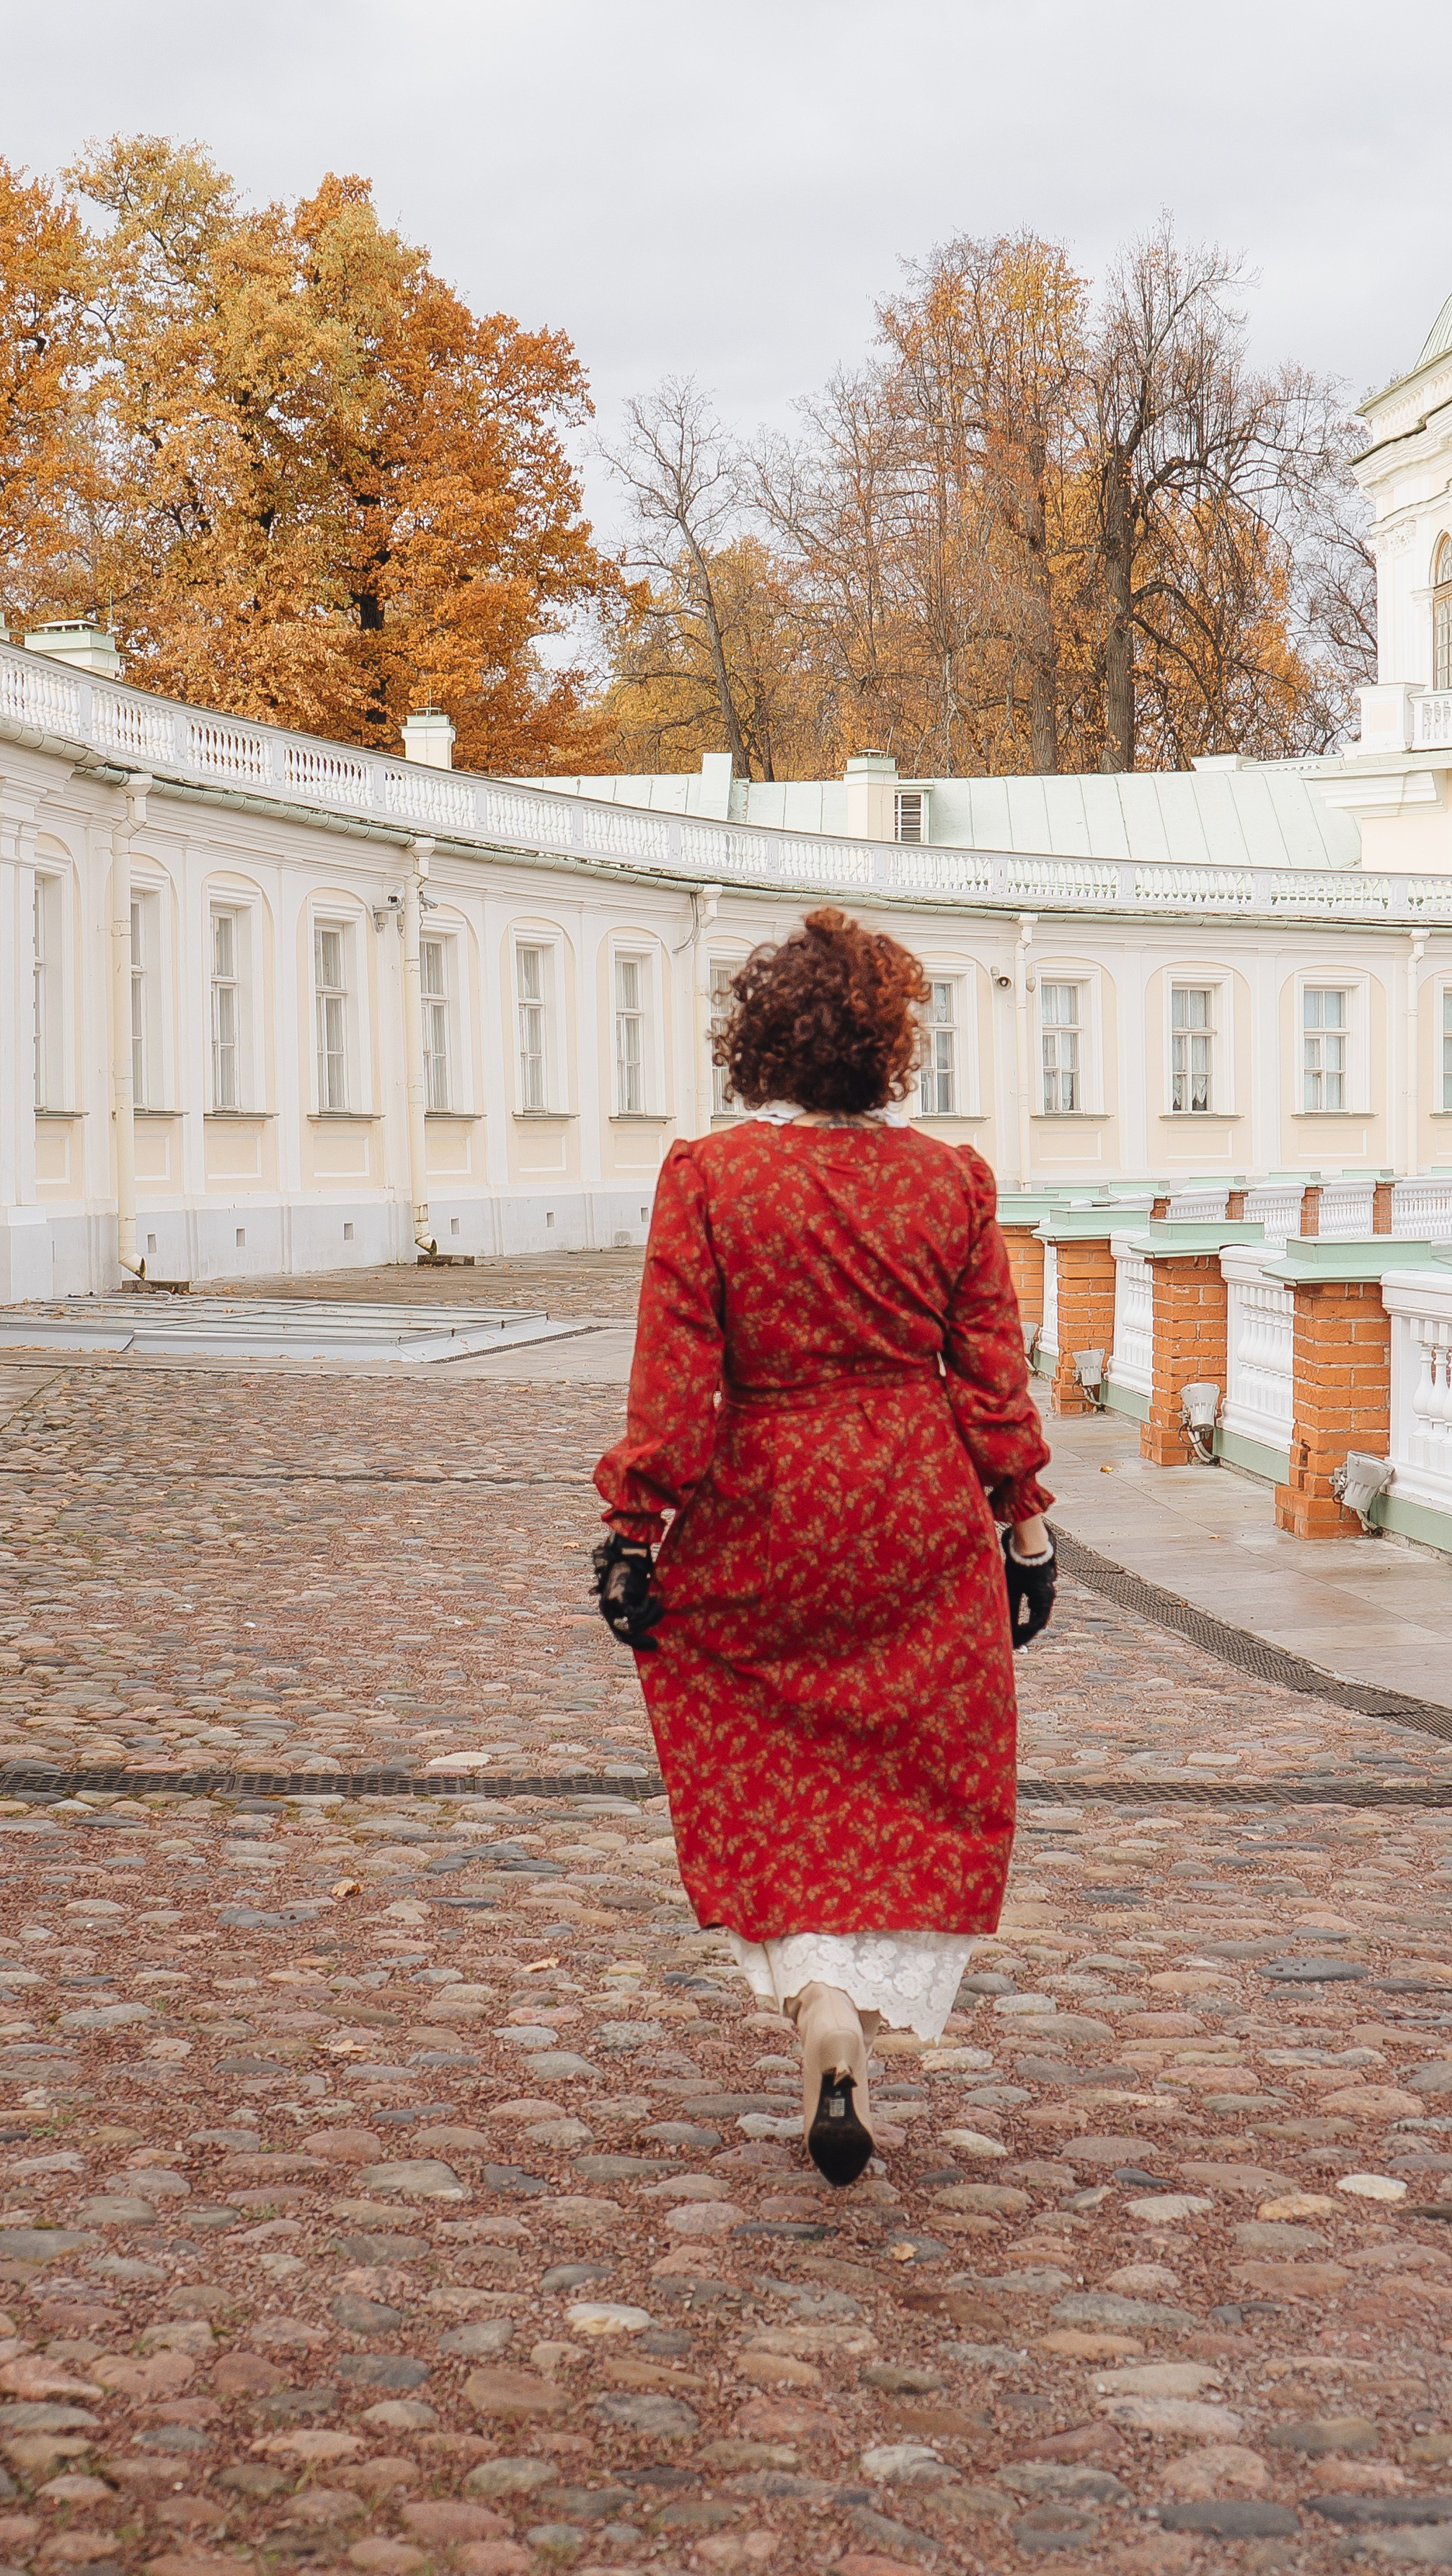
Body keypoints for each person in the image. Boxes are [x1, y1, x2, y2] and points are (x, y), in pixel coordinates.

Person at [590, 907, 1055, 2187]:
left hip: (766, 1499)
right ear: (891, 1047)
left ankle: (818, 1999)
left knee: (758, 1744)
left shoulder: (711, 1176)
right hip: (917, 1503)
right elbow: (991, 1374)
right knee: (915, 1762)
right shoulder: (951, 1182)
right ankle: (860, 1998)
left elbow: (677, 1380)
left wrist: (635, 1528)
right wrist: (1022, 1525)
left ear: (762, 1043)